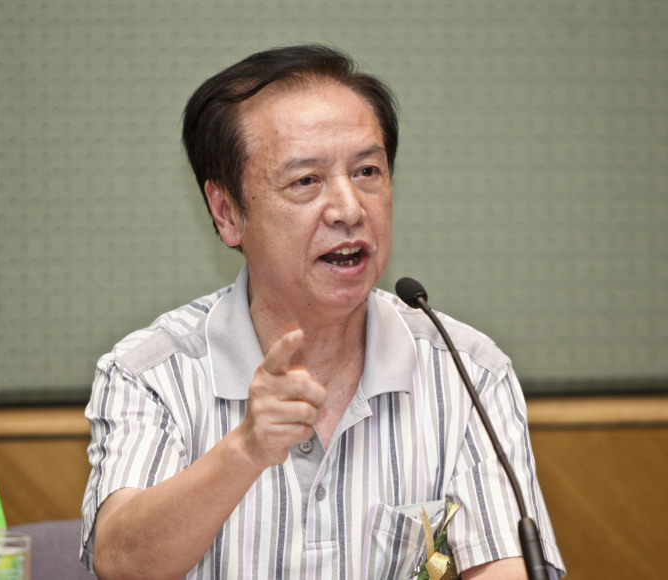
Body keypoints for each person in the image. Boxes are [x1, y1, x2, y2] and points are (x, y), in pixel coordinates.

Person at [80, 44, 565, 580]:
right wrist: (245, 450)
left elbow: (507, 567)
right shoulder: (152, 374)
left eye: (367, 171)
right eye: (306, 181)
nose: (350, 209)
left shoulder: (467, 373)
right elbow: (120, 563)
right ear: (227, 212)